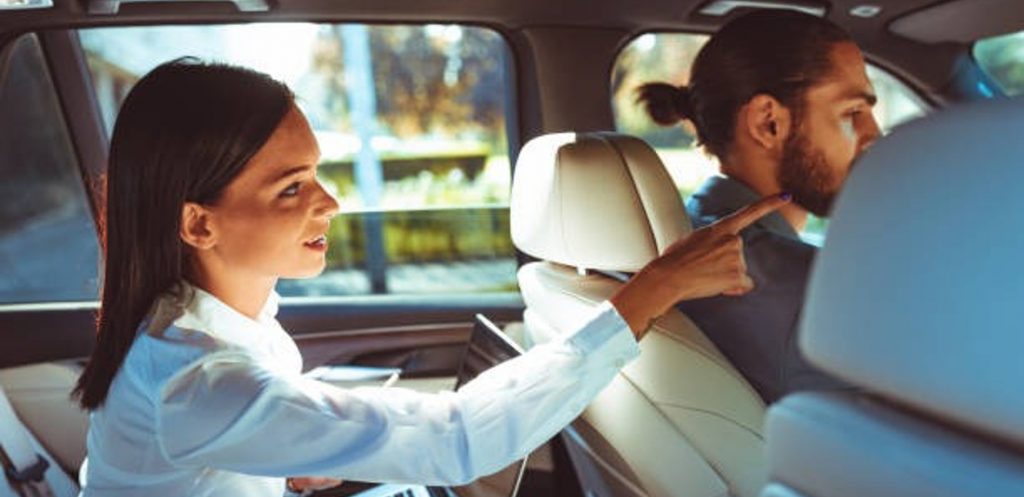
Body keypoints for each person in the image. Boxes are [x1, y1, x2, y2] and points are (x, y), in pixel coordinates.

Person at [72, 57, 789, 496]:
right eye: (291, 188)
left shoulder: (213, 318)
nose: (329, 201)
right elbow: (455, 441)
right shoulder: (196, 379)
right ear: (199, 224)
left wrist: (283, 464)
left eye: (318, 173)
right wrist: (652, 289)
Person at [637, 9, 881, 403]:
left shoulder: (687, 230)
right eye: (853, 113)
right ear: (768, 123)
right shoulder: (810, 294)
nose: (874, 135)